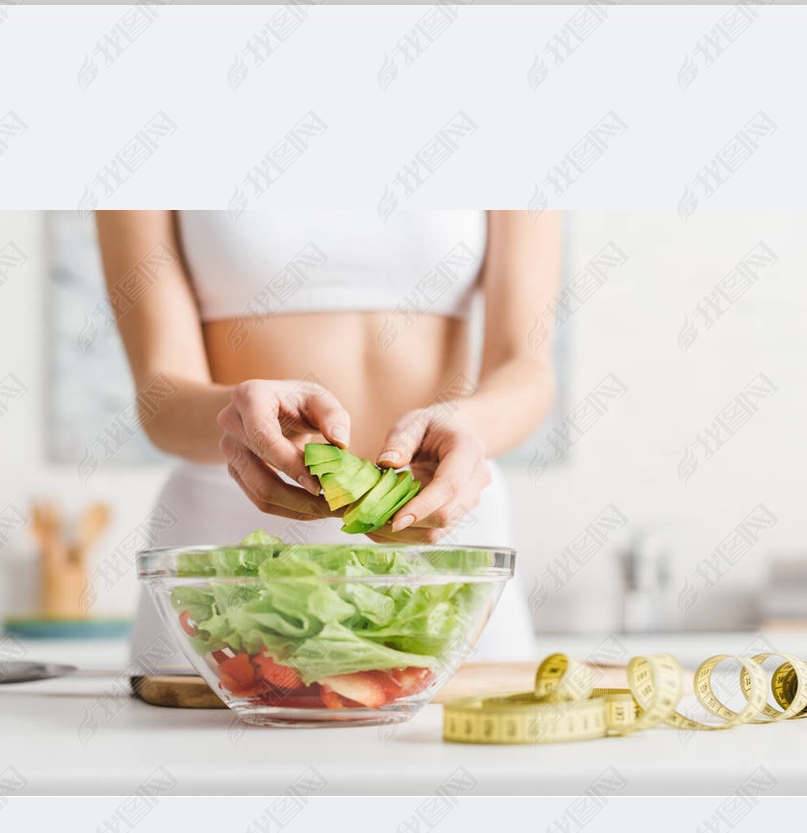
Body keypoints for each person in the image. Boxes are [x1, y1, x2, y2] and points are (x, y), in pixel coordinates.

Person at [96, 210, 560, 665]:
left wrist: (468, 428)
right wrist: (238, 416)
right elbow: (161, 395)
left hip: (443, 539)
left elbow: (526, 369)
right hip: (232, 559)